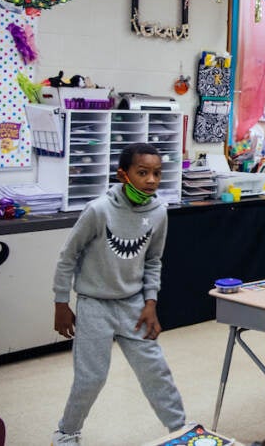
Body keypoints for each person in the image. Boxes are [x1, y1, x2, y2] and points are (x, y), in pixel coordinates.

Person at [51, 142, 187, 445]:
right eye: (142, 173)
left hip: (134, 306)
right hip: (94, 304)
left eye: (156, 173)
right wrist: (62, 302)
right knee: (91, 377)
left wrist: (151, 301)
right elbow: (67, 256)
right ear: (123, 174)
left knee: (156, 372)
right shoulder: (99, 210)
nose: (151, 180)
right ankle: (66, 432)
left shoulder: (159, 213)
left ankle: (180, 430)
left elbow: (153, 260)